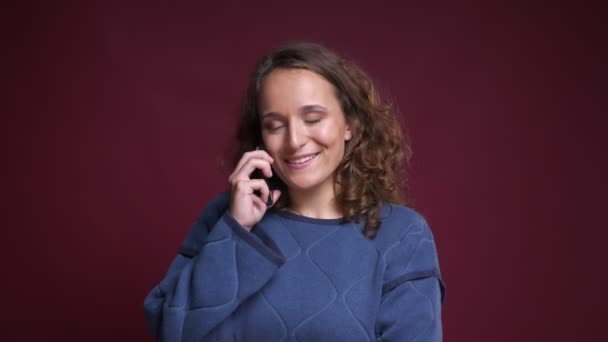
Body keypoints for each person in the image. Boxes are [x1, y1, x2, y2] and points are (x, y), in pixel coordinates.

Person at [144, 42, 445, 341]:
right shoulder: (227, 218)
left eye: (313, 119)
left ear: (350, 124)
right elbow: (171, 330)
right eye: (275, 126)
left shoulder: (402, 235)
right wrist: (235, 231)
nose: (294, 140)